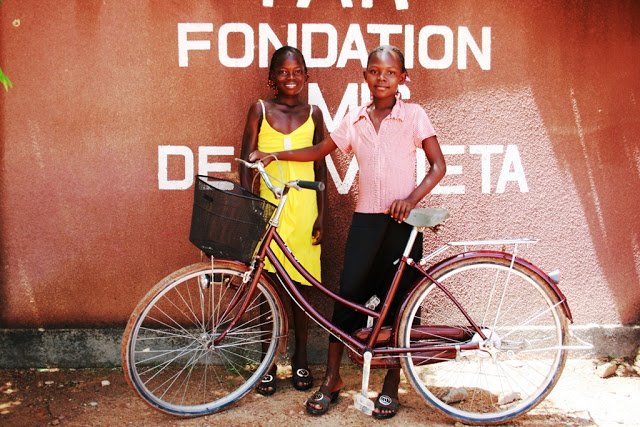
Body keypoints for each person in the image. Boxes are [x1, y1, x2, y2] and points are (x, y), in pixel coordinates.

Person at [250, 45, 446, 419]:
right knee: (346, 299)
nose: (382, 78)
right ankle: (332, 379)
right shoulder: (355, 119)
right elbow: (319, 150)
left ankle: (392, 386)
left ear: (403, 78)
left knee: (401, 304)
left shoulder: (414, 115)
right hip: (366, 222)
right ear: (365, 75)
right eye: (375, 71)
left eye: (390, 73)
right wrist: (276, 155)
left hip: (404, 224)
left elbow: (438, 166)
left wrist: (411, 199)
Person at [240, 46, 327, 396]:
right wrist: (251, 210)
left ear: (306, 76)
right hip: (269, 209)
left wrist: (322, 215)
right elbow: (245, 164)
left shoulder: (314, 113)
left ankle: (301, 358)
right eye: (283, 72)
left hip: (304, 209)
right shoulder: (260, 109)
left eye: (297, 72)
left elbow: (320, 167)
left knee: (300, 291)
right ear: (271, 78)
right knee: (267, 290)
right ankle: (268, 363)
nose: (290, 78)